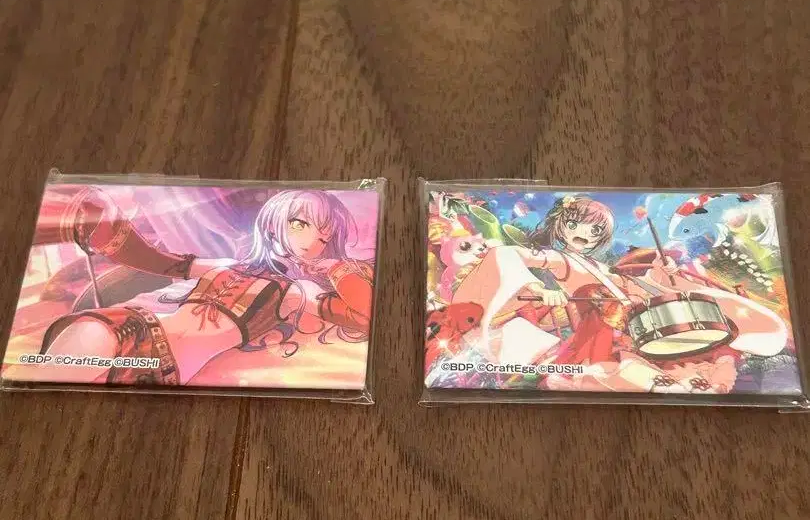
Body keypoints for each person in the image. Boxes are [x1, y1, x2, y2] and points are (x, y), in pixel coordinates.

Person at [34, 187, 374, 385]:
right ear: (273, 223)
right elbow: (155, 260)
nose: (310, 240)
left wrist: (336, 267)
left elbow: (365, 315)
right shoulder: (225, 264)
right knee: (49, 376)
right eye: (299, 223)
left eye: (323, 236)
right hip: (131, 322)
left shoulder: (298, 293)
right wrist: (104, 225)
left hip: (163, 360)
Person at [452, 195, 787, 393]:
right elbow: (509, 255)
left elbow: (636, 288)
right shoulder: (559, 259)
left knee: (706, 350)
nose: (583, 233)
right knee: (628, 369)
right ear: (561, 226)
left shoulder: (602, 266)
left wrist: (662, 272)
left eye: (595, 229)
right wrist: (539, 289)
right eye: (574, 224)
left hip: (632, 329)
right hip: (600, 337)